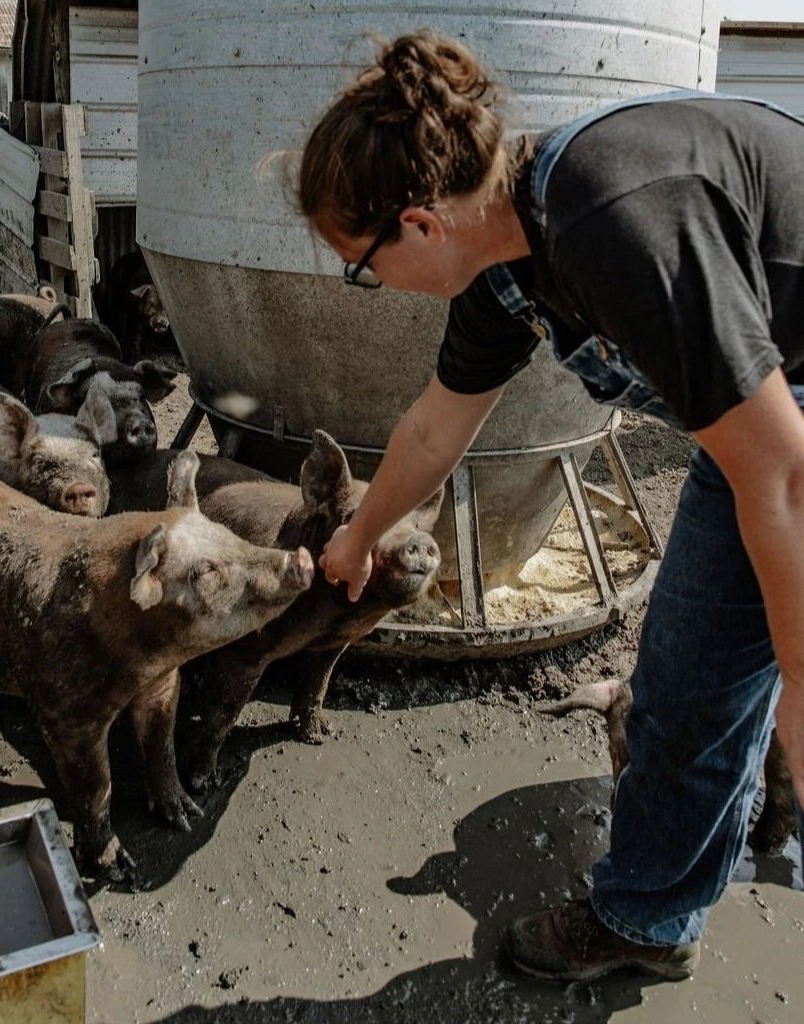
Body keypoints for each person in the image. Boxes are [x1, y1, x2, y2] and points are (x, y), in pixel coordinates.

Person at [296, 28, 804, 982]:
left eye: (362, 266)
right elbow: (434, 432)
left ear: (418, 225)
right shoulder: (507, 268)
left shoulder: (613, 218)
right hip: (764, 427)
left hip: (789, 441)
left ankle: (688, 877)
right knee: (693, 679)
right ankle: (665, 902)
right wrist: (360, 538)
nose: (370, 287)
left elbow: (783, 478)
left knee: (739, 676)